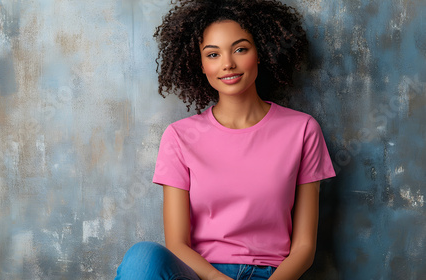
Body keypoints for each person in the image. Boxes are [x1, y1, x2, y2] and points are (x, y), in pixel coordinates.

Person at [115, 0, 335, 279]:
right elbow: (177, 245)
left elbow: (304, 248)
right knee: (142, 258)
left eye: (240, 49)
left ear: (261, 53)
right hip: (202, 275)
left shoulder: (302, 130)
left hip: (272, 275)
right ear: (201, 65)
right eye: (213, 54)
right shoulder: (179, 137)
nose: (228, 64)